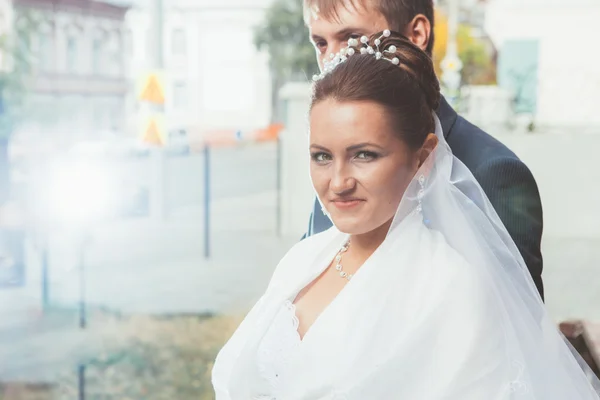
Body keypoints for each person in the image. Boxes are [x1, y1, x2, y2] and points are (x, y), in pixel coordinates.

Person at [212, 32, 600, 399]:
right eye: (322, 157)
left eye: (364, 154)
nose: (338, 182)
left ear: (424, 157)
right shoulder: (302, 260)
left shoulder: (452, 287)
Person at [302, 0, 545, 299]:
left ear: (417, 34)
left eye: (352, 39)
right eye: (321, 43)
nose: (333, 61)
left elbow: (519, 327)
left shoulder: (494, 172)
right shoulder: (334, 166)